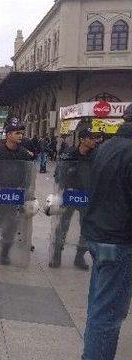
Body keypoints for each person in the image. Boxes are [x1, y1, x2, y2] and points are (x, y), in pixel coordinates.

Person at [81, 106, 132, 360]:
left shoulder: (106, 148)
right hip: (120, 239)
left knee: (98, 307)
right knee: (109, 314)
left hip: (98, 233)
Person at [49, 127, 102, 270]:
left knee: (86, 227)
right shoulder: (69, 154)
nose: (94, 141)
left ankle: (80, 256)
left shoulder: (97, 155)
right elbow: (59, 172)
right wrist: (62, 184)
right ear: (82, 140)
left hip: (87, 196)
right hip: (70, 195)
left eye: (95, 138)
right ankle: (56, 254)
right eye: (91, 138)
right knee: (63, 225)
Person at [0, 118, 35, 265]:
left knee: (11, 226)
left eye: (21, 133)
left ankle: (5, 253)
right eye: (17, 133)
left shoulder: (25, 154)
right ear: (8, 135)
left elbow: (27, 175)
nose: (20, 136)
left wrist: (25, 190)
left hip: (15, 196)